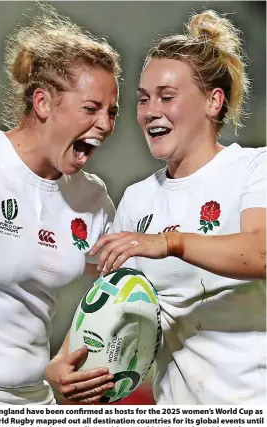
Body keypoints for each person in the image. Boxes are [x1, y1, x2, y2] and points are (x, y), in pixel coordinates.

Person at [90, 10, 266, 404]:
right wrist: (63, 366)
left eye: (167, 97)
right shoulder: (137, 198)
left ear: (213, 102)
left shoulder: (255, 167)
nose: (151, 110)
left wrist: (169, 243)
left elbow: (261, 252)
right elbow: (111, 300)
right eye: (143, 99)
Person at [0, 3, 120, 405]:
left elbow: (118, 296)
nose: (107, 125)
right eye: (91, 109)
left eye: (112, 112)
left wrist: (65, 358)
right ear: (42, 103)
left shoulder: (92, 199)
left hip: (34, 401)